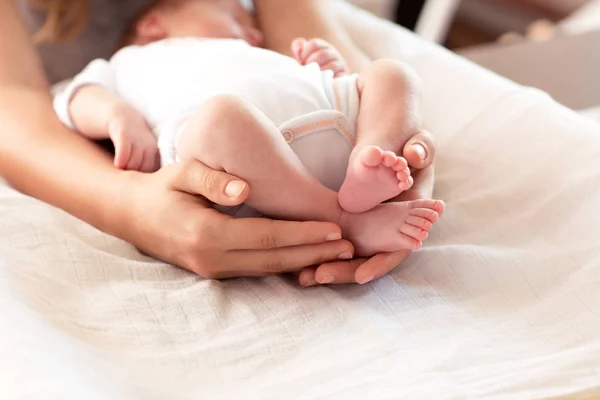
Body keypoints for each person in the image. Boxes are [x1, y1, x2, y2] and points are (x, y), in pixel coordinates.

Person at [0, 0, 437, 286]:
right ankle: (342, 216)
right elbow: (71, 99)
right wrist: (117, 118)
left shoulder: (253, 48)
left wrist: (332, 67)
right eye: (235, 17)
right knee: (221, 118)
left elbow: (310, 46)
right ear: (155, 25)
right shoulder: (126, 63)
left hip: (327, 119)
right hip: (252, 163)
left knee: (393, 75)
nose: (254, 35)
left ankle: (372, 157)